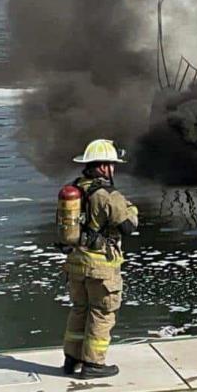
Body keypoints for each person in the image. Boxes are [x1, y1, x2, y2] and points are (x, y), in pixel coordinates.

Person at [61, 139, 138, 379]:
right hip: (100, 267)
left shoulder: (75, 189)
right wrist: (132, 209)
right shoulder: (106, 195)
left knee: (80, 309)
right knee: (102, 312)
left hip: (75, 263)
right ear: (103, 167)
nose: (113, 169)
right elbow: (128, 226)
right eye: (112, 164)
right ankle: (94, 364)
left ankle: (71, 359)